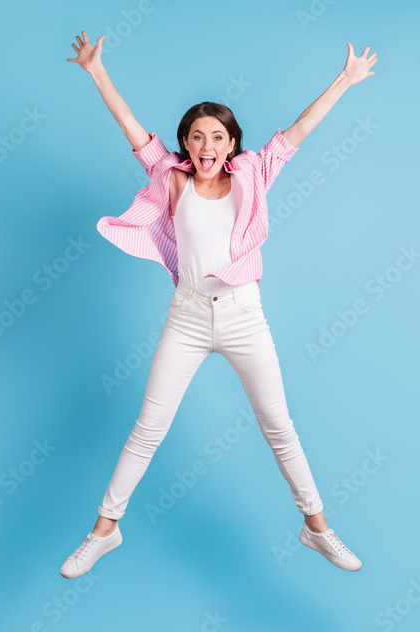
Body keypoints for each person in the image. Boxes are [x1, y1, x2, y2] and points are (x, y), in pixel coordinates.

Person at [60, 29, 377, 578]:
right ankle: (103, 532)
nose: (206, 146)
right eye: (196, 136)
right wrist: (96, 71)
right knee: (148, 427)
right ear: (186, 143)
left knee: (279, 425)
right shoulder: (171, 178)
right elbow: (131, 127)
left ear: (232, 145)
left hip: (242, 317)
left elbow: (298, 131)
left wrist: (345, 81)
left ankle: (317, 528)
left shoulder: (254, 174)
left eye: (217, 137)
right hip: (186, 317)